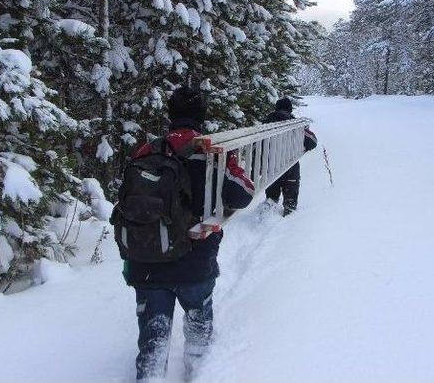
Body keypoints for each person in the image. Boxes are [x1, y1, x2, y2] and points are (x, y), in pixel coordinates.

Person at [123, 86, 254, 381]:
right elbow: (243, 193)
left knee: (152, 345)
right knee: (199, 336)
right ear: (201, 115)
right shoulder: (213, 150)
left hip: (147, 262)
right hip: (196, 262)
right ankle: (198, 374)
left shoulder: (147, 151)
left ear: (171, 115)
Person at [264, 98, 317, 216]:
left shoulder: (266, 124)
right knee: (291, 196)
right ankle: (290, 211)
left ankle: (267, 211)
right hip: (290, 169)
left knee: (271, 198)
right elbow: (312, 142)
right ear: (290, 109)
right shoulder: (295, 125)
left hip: (270, 169)